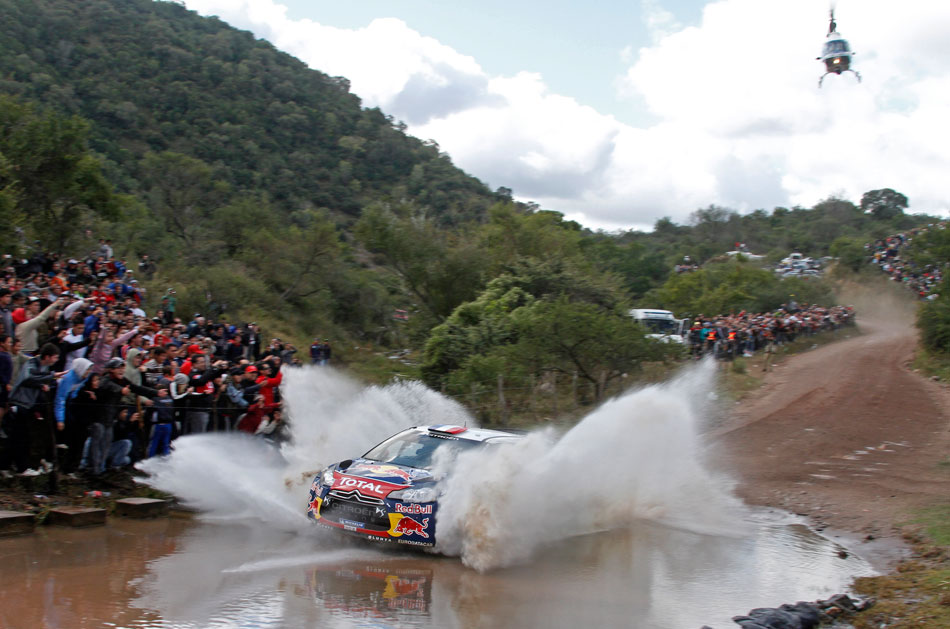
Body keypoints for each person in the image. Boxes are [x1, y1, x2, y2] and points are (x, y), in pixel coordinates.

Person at [7, 343, 61, 474]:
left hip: (30, 405)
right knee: (19, 437)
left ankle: (16, 466)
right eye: (55, 357)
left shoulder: (43, 367)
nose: (56, 360)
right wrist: (48, 378)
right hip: (20, 403)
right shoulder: (32, 364)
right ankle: (20, 468)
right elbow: (28, 378)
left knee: (25, 437)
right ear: (47, 357)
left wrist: (45, 383)